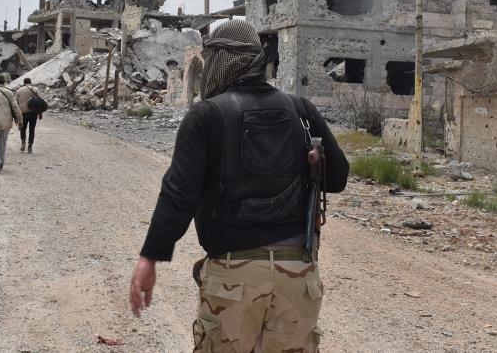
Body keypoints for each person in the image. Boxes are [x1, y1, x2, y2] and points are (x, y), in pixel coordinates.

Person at [129, 20, 349, 353]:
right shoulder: (301, 110)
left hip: (233, 278)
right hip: (298, 274)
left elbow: (179, 195)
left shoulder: (205, 116)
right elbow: (338, 178)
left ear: (220, 60)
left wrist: (150, 258)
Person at [14, 77, 43, 154]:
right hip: (33, 112)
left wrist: (16, 116)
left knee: (23, 128)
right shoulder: (35, 89)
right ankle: (30, 146)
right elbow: (40, 101)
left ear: (24, 83)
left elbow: (16, 104)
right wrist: (40, 113)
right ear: (30, 82)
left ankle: (23, 143)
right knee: (32, 129)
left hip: (23, 113)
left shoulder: (19, 91)